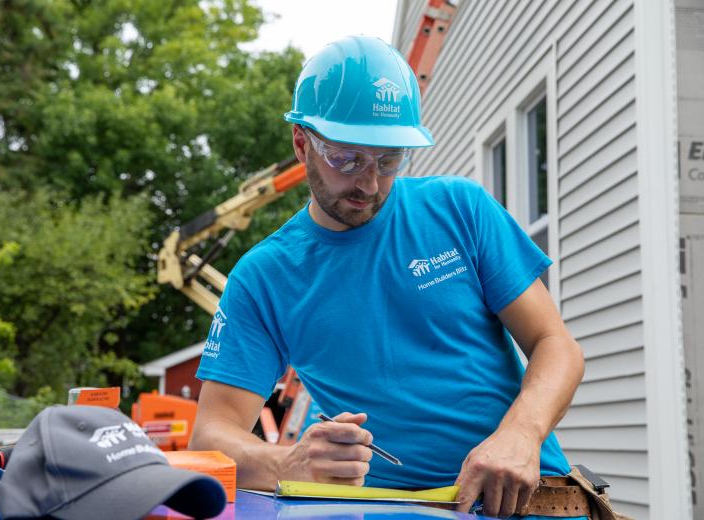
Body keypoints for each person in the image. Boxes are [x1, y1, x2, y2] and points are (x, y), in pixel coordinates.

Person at [190, 35, 586, 518]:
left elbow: (556, 345)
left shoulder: (460, 209)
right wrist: (287, 461)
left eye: (389, 159)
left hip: (527, 495)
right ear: (302, 144)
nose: (369, 183)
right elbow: (212, 436)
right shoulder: (264, 277)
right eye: (346, 159)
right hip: (385, 506)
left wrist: (519, 434)